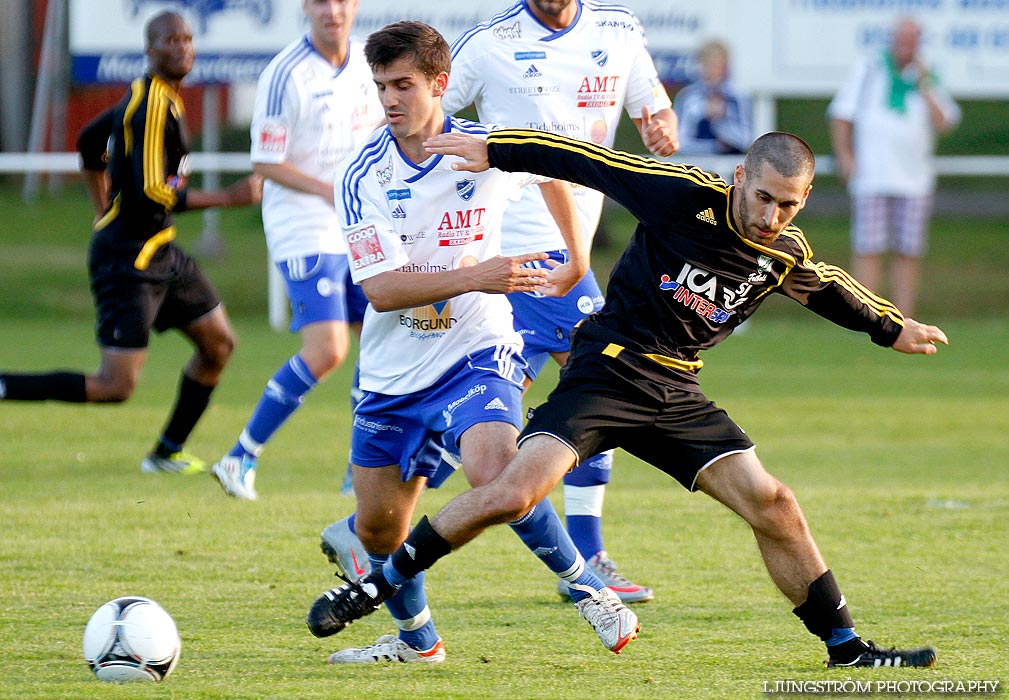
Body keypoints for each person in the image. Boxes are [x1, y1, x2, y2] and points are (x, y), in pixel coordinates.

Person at [306, 126, 948, 668]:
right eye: (761, 197)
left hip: (676, 390)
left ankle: (847, 647)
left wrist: (893, 328)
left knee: (775, 503)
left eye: (787, 205)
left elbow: (827, 286)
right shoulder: (684, 196)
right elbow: (584, 158)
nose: (768, 216)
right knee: (510, 493)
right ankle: (374, 589)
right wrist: (495, 148)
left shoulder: (781, 251)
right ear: (737, 177)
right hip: (607, 372)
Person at [320, 0, 679, 606]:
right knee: (594, 384)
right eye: (382, 87)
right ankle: (411, 593)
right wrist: (477, 266)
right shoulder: (484, 48)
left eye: (399, 86)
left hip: (532, 272)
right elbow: (382, 283)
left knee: (563, 397)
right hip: (484, 279)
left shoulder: (617, 30)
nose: (389, 98)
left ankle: (581, 565)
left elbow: (571, 153)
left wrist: (581, 252)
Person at [0, 11, 261, 475]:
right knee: (114, 387)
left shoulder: (157, 96)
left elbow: (87, 141)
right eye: (169, 40)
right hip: (128, 260)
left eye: (187, 39)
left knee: (218, 344)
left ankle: (164, 453)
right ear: (149, 49)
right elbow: (151, 192)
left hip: (161, 249)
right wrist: (229, 196)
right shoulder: (150, 104)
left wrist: (101, 205)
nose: (181, 47)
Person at [210, 0, 382, 500]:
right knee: (328, 349)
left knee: (377, 339)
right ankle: (240, 456)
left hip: (359, 220)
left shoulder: (369, 66)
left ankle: (360, 468)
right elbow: (266, 161)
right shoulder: (285, 73)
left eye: (343, 0)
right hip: (304, 223)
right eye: (322, 1)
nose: (333, 10)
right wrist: (330, 189)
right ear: (307, 7)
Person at [828, 16, 960, 317]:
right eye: (902, 39)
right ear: (892, 40)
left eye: (912, 40)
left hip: (915, 180)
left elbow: (945, 122)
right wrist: (846, 157)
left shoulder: (928, 75)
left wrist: (925, 83)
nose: (906, 45)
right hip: (872, 177)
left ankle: (903, 319)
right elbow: (841, 113)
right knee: (868, 249)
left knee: (908, 252)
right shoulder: (870, 69)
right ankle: (863, 317)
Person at [673, 38, 752, 178]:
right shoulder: (687, 97)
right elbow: (679, 142)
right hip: (693, 170)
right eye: (707, 63)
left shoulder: (736, 98)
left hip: (728, 173)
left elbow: (746, 139)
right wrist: (711, 145)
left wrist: (721, 121)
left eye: (716, 64)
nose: (711, 69)